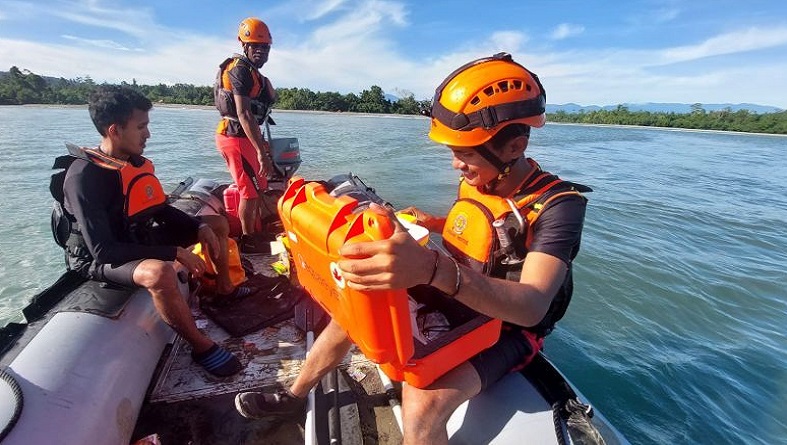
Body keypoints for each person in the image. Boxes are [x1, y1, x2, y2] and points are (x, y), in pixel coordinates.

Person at [234, 53, 588, 444]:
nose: (456, 165)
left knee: (421, 404)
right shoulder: (481, 179)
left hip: (507, 329)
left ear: (514, 147)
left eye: (465, 154)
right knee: (354, 309)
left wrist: (431, 269)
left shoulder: (559, 205)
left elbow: (533, 304)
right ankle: (294, 395)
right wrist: (432, 223)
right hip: (462, 294)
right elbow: (485, 233)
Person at [55, 85, 252, 377]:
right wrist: (173, 252)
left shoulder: (132, 163)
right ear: (115, 130)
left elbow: (160, 209)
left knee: (217, 225)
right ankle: (201, 347)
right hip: (98, 257)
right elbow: (102, 250)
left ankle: (224, 288)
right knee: (159, 273)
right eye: (141, 127)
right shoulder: (84, 177)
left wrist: (199, 227)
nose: (148, 134)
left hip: (136, 237)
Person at [214, 17, 278, 254]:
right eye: (255, 46)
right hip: (234, 137)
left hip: (247, 137)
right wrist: (261, 152)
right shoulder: (240, 70)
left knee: (257, 186)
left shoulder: (252, 73)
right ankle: (247, 239)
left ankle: (254, 232)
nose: (261, 51)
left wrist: (261, 147)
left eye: (265, 47)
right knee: (249, 192)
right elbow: (243, 113)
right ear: (244, 45)